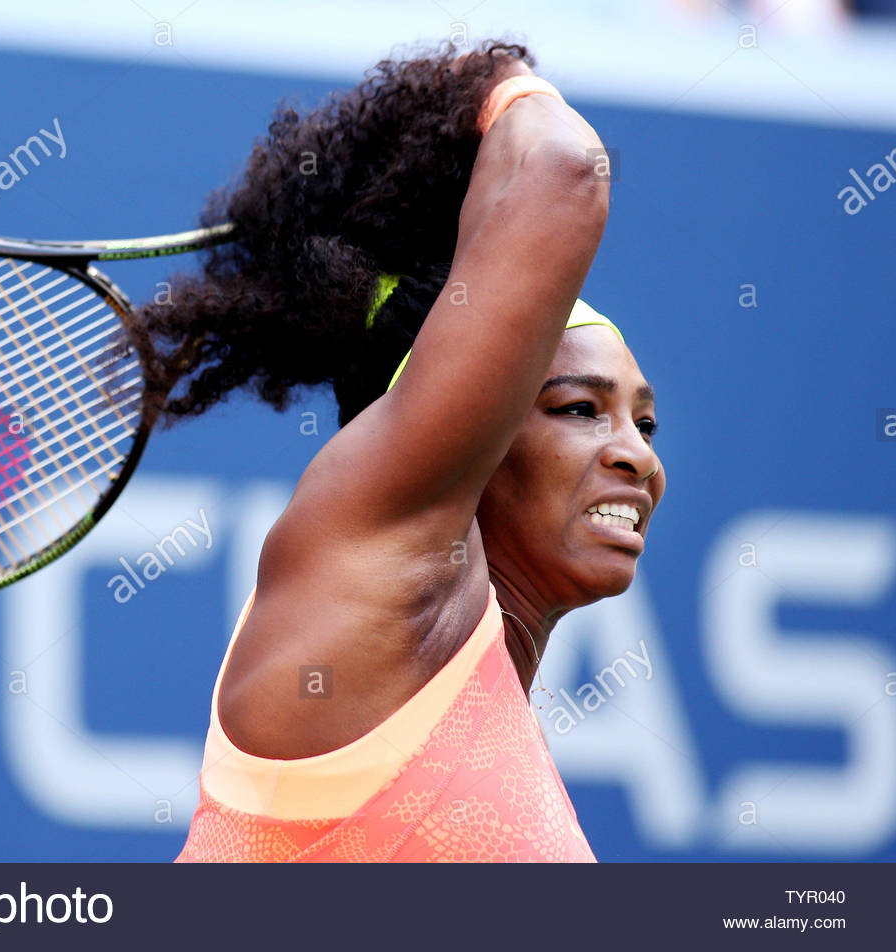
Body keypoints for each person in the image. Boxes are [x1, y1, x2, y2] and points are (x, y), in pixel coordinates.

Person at [142, 40, 666, 862]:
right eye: (576, 409)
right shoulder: (369, 571)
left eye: (645, 424)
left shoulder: (476, 708)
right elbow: (565, 172)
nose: (635, 456)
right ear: (467, 425)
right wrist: (489, 85)